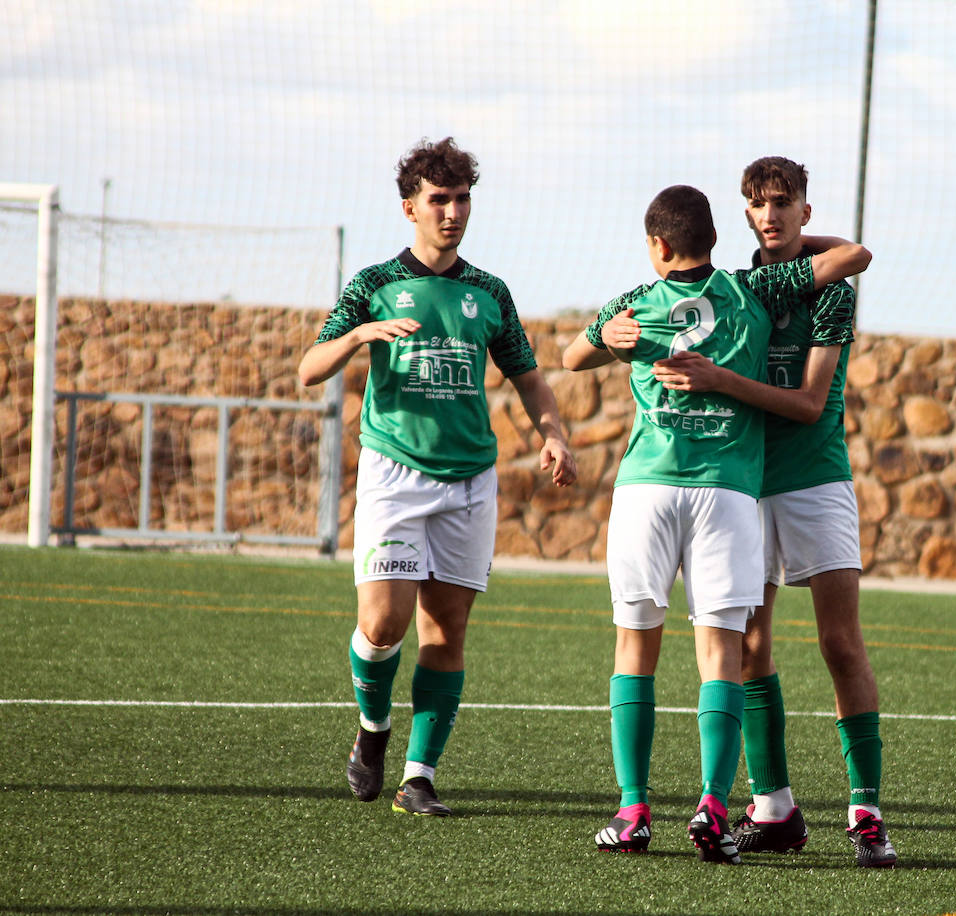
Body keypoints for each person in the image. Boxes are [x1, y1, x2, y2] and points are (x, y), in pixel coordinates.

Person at [562, 184, 870, 864]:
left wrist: (605, 339)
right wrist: (791, 244)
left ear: (658, 246)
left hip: (646, 489)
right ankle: (711, 802)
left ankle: (634, 809)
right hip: (727, 494)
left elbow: (569, 357)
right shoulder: (754, 291)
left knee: (635, 648)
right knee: (722, 654)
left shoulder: (634, 304)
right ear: (716, 238)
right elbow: (849, 259)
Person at [298, 137, 577, 817]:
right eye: (438, 200)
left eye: (461, 199)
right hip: (395, 473)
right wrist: (361, 336)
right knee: (383, 622)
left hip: (469, 481)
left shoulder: (489, 292)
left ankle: (418, 775)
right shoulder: (372, 285)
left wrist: (555, 434)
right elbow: (309, 368)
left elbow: (529, 378)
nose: (452, 212)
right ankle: (372, 733)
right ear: (410, 208)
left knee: (446, 630)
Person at [629, 157, 895, 867]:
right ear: (742, 215)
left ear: (805, 211)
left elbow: (810, 406)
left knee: (840, 644)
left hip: (815, 481)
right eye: (757, 204)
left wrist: (721, 379)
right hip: (742, 487)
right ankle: (773, 807)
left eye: (784, 203)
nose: (770, 214)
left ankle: (866, 811)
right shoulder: (739, 289)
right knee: (749, 649)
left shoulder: (831, 292)